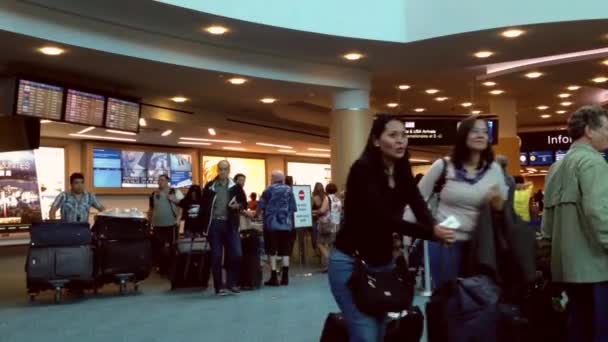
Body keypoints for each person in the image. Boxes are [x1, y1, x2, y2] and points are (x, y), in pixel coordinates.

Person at [329, 115, 455, 341]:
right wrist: (431, 233)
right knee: (365, 333)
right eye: (393, 135)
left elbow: (417, 203)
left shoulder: (401, 169)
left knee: (379, 332)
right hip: (351, 263)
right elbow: (382, 218)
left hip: (383, 264)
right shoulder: (362, 170)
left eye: (403, 135)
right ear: (376, 141)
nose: (400, 141)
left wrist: (434, 227)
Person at [413, 115, 508, 289]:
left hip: (480, 244)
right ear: (463, 135)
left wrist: (497, 203)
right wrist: (427, 229)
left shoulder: (494, 169)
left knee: (479, 298)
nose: (481, 135)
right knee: (447, 297)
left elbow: (504, 209)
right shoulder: (443, 166)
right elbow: (415, 200)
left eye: (485, 132)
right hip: (446, 242)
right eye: (474, 131)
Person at [542, 106, 608, 341]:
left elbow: (546, 221)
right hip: (595, 268)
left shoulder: (556, 167)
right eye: (606, 129)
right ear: (589, 130)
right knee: (599, 329)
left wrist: (548, 254)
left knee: (577, 326)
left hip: (565, 267)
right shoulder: (593, 163)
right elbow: (599, 212)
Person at [201, 160, 247, 296]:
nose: (222, 171)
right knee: (216, 256)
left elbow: (243, 202)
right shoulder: (210, 186)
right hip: (215, 224)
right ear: (217, 170)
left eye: (225, 169)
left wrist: (237, 206)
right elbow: (203, 208)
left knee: (236, 254)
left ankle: (231, 283)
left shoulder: (236, 187)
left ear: (229, 170)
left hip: (230, 224)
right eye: (220, 169)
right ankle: (219, 286)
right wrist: (203, 227)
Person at [257, 170, 297, 286]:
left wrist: (255, 214)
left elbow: (260, 206)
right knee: (285, 251)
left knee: (271, 250)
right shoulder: (289, 190)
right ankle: (285, 277)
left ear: (273, 178)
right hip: (286, 225)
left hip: (271, 225)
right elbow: (293, 208)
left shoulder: (268, 190)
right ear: (282, 179)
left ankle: (274, 277)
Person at [148, 174, 184, 275]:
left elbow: (183, 205)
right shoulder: (154, 194)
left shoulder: (175, 192)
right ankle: (161, 267)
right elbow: (151, 209)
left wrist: (178, 219)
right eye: (159, 180)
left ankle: (173, 268)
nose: (160, 182)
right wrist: (149, 222)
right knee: (158, 247)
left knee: (172, 247)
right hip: (157, 225)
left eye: (162, 180)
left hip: (171, 224)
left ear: (168, 181)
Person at [312, 182, 331, 269]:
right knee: (326, 243)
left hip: (321, 223)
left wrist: (313, 212)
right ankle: (325, 264)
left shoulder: (315, 197)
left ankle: (328, 260)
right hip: (328, 222)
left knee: (319, 243)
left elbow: (322, 210)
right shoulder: (326, 197)